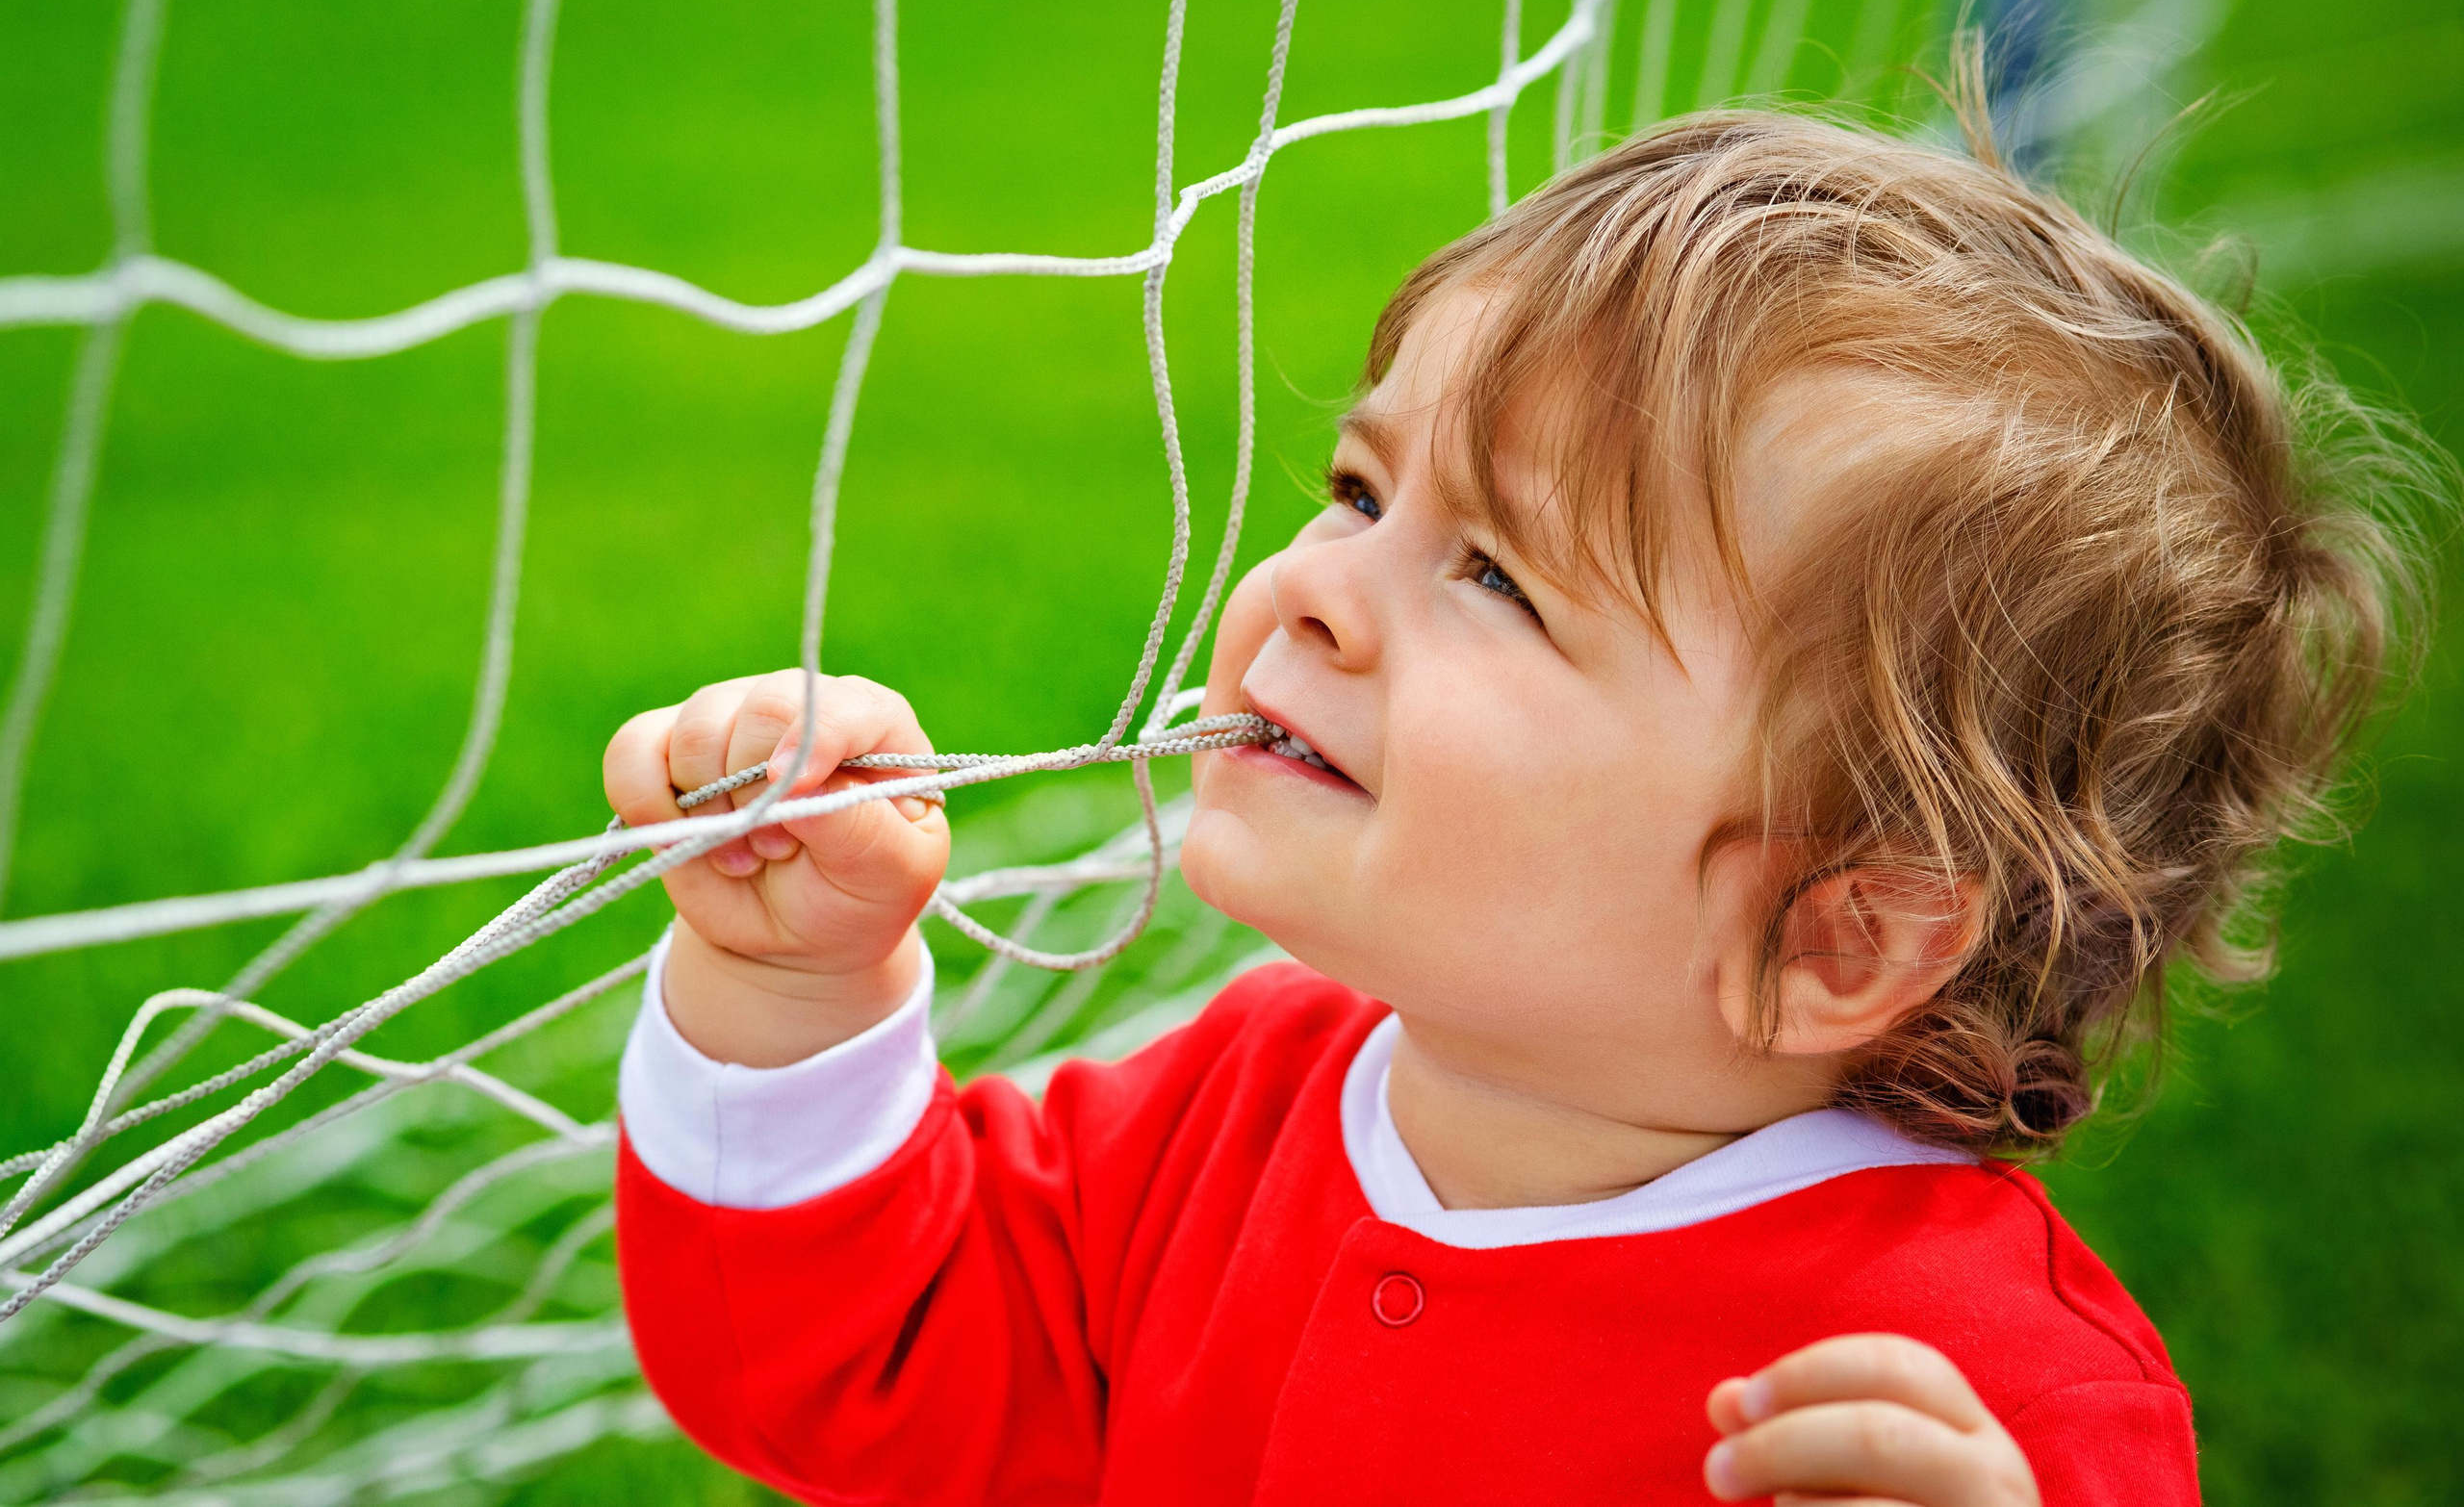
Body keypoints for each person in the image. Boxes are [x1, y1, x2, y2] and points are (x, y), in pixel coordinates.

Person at [603, 94, 2433, 1505]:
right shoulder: (1246, 1101)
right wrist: (796, 995)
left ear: (1839, 933)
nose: (1316, 585)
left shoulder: (1981, 1408)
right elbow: (859, 1366)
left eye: (1498, 578)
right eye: (1358, 486)